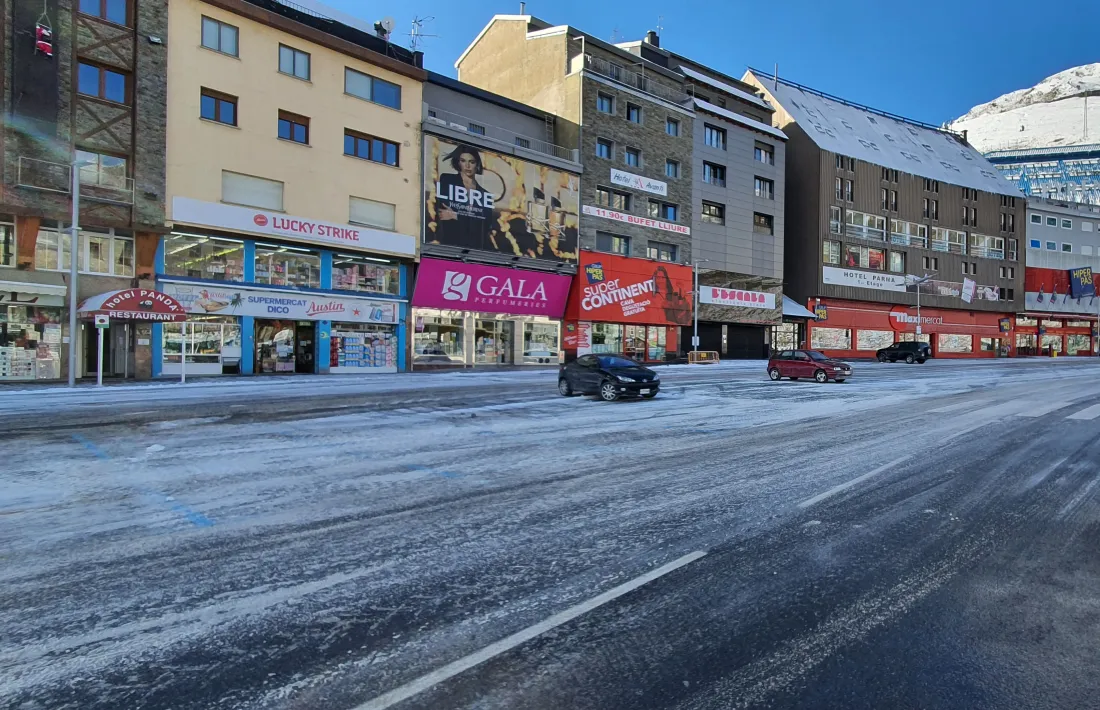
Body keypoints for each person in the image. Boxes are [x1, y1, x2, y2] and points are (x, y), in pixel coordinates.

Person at [433, 145, 495, 251]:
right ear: (458, 163)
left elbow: (484, 226)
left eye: (472, 162)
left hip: (475, 249)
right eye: (463, 161)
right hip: (449, 245)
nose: (467, 166)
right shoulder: (447, 180)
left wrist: (456, 215)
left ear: (477, 164)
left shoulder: (485, 195)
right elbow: (442, 212)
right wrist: (472, 219)